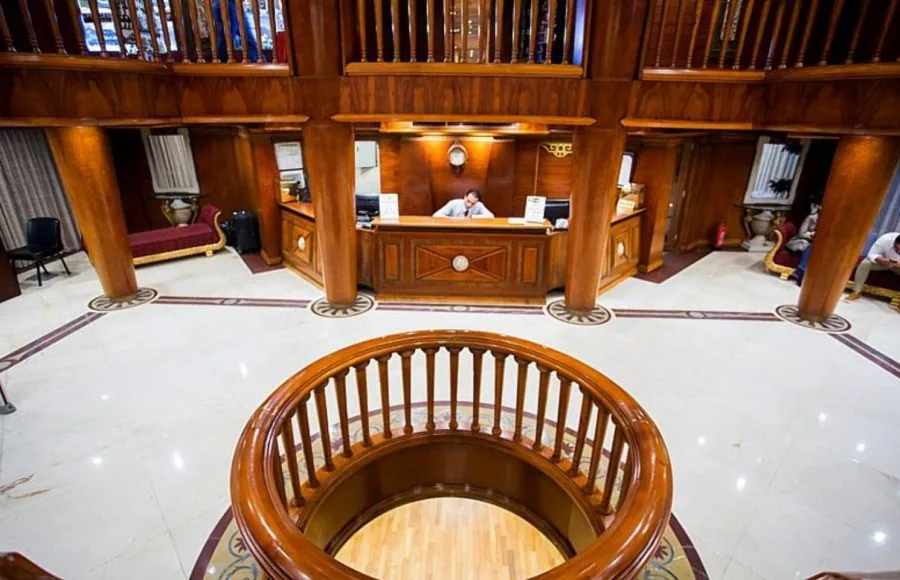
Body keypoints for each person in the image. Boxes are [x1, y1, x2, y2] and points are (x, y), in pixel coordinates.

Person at [846, 233, 900, 302]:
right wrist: (880, 259)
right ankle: (856, 292)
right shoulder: (886, 239)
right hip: (882, 262)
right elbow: (872, 254)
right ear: (895, 242)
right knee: (865, 263)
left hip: (898, 267)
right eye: (897, 249)